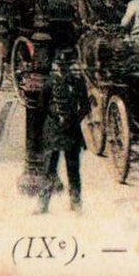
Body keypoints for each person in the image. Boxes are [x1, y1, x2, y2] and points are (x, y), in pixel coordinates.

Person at [38, 52, 90, 213]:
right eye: (60, 66)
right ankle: (43, 205)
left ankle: (76, 203)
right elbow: (42, 107)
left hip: (71, 132)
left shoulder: (78, 82)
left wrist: (74, 120)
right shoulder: (49, 84)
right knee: (49, 169)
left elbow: (85, 106)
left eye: (65, 66)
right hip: (53, 131)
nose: (62, 69)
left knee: (73, 169)